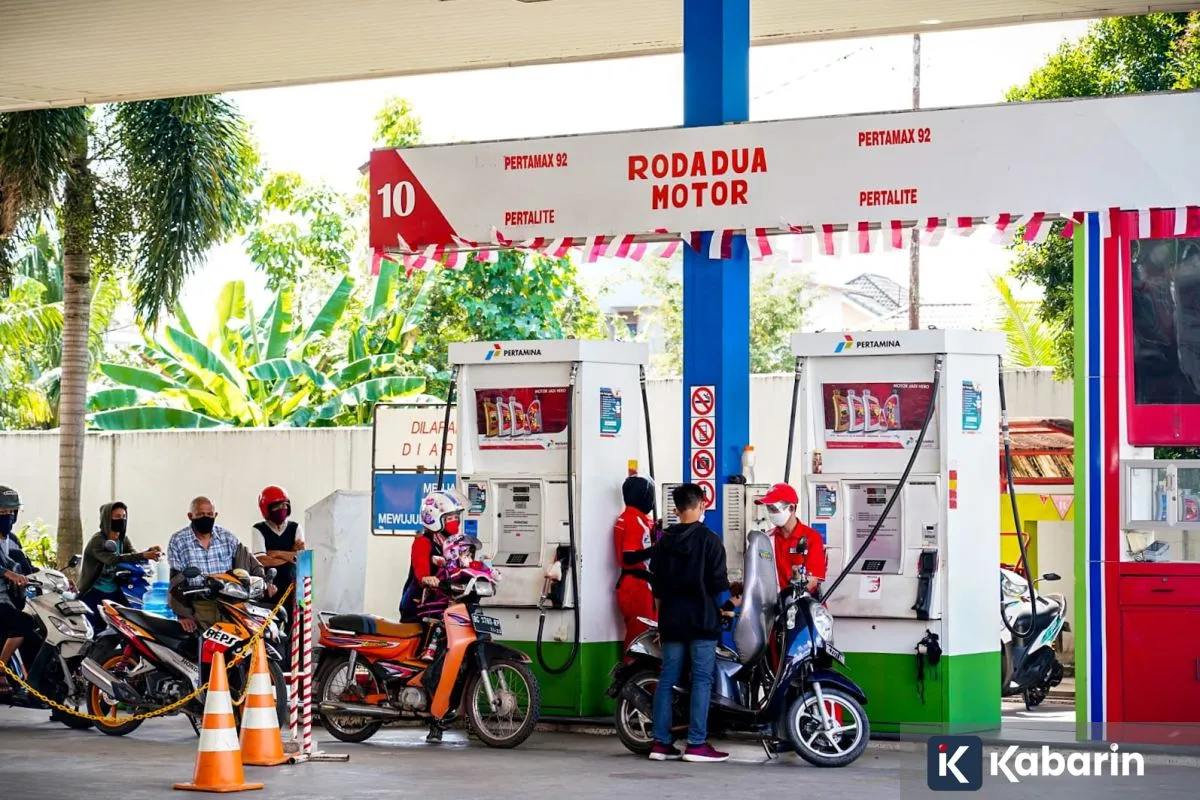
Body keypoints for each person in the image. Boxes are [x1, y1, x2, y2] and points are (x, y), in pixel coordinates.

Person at [647, 483, 734, 763]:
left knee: (667, 679)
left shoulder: (662, 544)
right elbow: (718, 585)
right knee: (701, 680)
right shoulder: (710, 540)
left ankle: (660, 744)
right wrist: (732, 605)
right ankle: (696, 744)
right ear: (702, 504)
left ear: (676, 510)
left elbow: (657, 589)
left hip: (671, 621)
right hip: (702, 621)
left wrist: (661, 622)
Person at [167, 496, 274, 633]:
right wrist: (183, 614)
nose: (205, 518)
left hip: (232, 604)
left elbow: (251, 562)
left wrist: (265, 582)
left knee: (242, 642)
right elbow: (175, 580)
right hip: (200, 606)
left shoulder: (227, 537)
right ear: (190, 516)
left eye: (209, 514)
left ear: (215, 515)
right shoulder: (178, 541)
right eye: (200, 514)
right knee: (205, 644)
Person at [78, 502, 162, 618]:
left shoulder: (122, 539)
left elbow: (133, 555)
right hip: (94, 591)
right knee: (95, 625)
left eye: (124, 517)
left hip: (115, 589)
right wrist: (143, 555)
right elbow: (112, 559)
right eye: (117, 517)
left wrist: (149, 552)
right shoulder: (98, 540)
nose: (121, 520)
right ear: (107, 519)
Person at [614, 475, 658, 656]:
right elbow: (629, 557)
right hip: (636, 586)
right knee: (641, 638)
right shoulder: (633, 520)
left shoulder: (640, 519)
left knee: (649, 635)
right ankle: (634, 672)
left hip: (641, 585)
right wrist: (657, 549)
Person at [755, 483, 826, 595]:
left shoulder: (812, 537)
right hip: (775, 603)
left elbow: (812, 580)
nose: (771, 514)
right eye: (768, 508)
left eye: (774, 508)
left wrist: (791, 596)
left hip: (804, 602)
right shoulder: (767, 539)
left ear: (791, 508)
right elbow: (758, 576)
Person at [0, 485, 35, 699]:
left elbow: (26, 566)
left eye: (12, 512)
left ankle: (36, 685)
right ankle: (0, 668)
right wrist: (6, 573)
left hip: (12, 600)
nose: (8, 516)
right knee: (23, 623)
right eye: (3, 512)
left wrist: (57, 578)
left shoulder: (12, 540)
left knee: (36, 632)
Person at [252, 485, 304, 604]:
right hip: (270, 588)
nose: (282, 508)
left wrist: (276, 553)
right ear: (267, 509)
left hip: (293, 587)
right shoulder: (258, 529)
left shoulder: (295, 527)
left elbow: (302, 558)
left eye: (285, 505)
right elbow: (261, 560)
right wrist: (291, 556)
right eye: (277, 506)